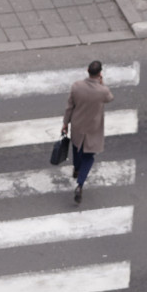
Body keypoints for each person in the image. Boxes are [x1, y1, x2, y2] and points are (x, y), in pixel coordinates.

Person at [62, 60, 115, 204]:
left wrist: (65, 123)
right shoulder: (102, 90)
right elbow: (110, 98)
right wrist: (101, 83)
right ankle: (80, 184)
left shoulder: (76, 86)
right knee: (89, 156)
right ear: (100, 73)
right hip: (93, 128)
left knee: (76, 148)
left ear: (87, 70)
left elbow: (69, 107)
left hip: (78, 125)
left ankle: (76, 168)